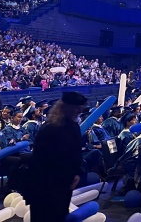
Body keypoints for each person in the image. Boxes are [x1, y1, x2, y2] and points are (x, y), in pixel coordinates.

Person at [27, 92, 87, 222]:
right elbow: (41, 159)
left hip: (65, 182)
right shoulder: (50, 128)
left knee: (60, 214)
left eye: (79, 108)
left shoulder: (73, 125)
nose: (77, 111)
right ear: (64, 107)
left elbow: (75, 153)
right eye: (74, 107)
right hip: (47, 184)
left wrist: (76, 174)